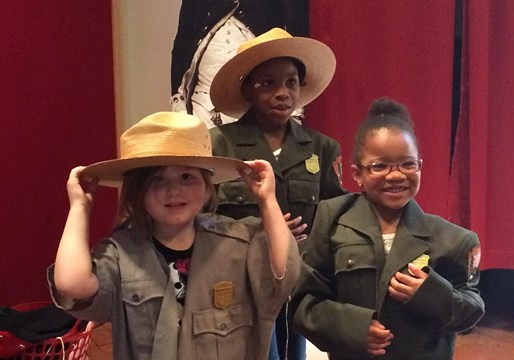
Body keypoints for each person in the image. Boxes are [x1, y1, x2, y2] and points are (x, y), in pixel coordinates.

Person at [47, 111, 300, 360]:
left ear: (206, 187)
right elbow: (72, 285)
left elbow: (283, 275)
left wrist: (267, 201)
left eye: (187, 176)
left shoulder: (237, 241)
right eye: (157, 179)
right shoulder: (121, 252)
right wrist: (80, 207)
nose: (173, 190)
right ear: (138, 192)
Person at [291, 98, 485, 360]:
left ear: (420, 167)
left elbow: (472, 311)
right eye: (379, 166)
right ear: (357, 173)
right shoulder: (332, 221)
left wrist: (434, 295)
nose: (395, 175)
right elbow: (304, 304)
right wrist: (354, 329)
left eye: (407, 164)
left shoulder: (455, 239)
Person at [208, 28, 346, 360]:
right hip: (240, 278)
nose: (282, 92)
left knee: (291, 350)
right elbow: (201, 216)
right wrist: (258, 232)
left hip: (298, 279)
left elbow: (335, 214)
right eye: (267, 83)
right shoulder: (218, 145)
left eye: (291, 82)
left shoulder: (321, 148)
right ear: (247, 90)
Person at [171, 0, 309, 128]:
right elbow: (184, 39)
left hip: (260, 97)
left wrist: (294, 110)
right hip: (202, 100)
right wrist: (179, 101)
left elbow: (297, 29)